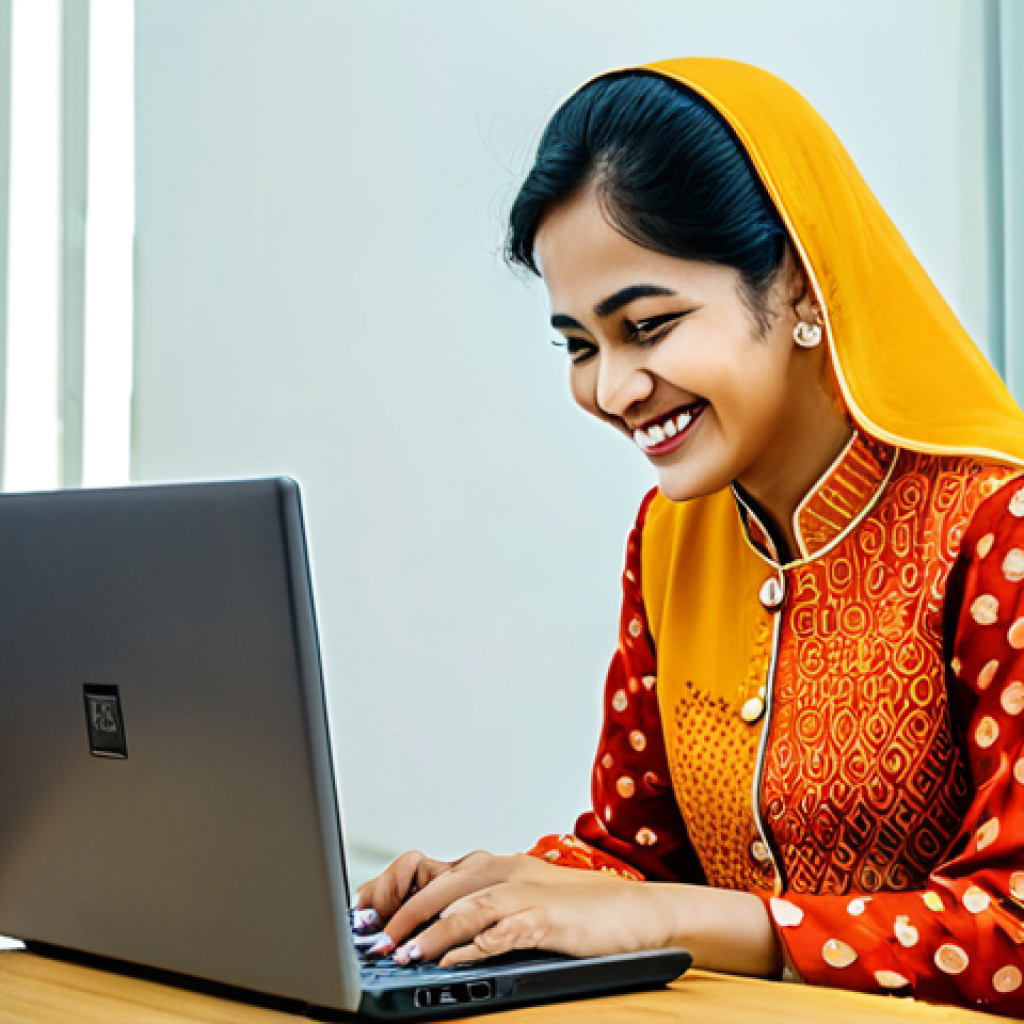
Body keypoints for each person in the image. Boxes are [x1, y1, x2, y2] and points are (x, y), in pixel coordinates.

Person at [352, 57, 1024, 1014]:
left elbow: (1014, 932)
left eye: (649, 326)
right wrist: (479, 894)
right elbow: (637, 857)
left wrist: (679, 920)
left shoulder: (997, 526)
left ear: (792, 281)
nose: (612, 391)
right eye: (580, 345)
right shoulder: (672, 536)